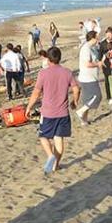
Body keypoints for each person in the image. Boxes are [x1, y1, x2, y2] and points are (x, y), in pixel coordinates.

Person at [25, 47, 81, 175]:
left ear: (48, 59)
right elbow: (76, 89)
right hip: (63, 113)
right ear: (59, 58)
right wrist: (75, 101)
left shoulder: (43, 73)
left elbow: (36, 93)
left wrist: (29, 107)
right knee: (59, 139)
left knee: (43, 136)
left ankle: (50, 156)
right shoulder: (67, 72)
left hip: (48, 113)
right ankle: (56, 165)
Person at [75, 31, 102, 125]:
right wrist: (97, 64)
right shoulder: (86, 48)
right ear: (93, 38)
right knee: (97, 96)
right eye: (97, 37)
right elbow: (87, 64)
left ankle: (84, 121)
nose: (98, 38)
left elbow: (95, 59)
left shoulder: (92, 48)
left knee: (87, 99)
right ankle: (81, 111)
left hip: (90, 77)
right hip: (88, 77)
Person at [98, 27, 112, 104]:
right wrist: (104, 57)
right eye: (107, 34)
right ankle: (109, 96)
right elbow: (99, 55)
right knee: (107, 80)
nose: (108, 36)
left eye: (110, 34)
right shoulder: (103, 43)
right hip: (106, 65)